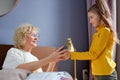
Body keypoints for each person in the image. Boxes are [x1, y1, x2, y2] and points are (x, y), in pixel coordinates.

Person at [70, 0, 119, 80]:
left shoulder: (105, 32)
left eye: (91, 17)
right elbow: (92, 54)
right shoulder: (97, 34)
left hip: (106, 75)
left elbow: (93, 54)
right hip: (99, 74)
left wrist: (72, 55)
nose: (90, 21)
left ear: (100, 15)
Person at [2, 23, 70, 72]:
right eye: (33, 35)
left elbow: (43, 78)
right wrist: (49, 58)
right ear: (22, 36)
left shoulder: (34, 58)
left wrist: (53, 61)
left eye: (37, 35)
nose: (36, 38)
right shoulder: (13, 52)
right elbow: (19, 68)